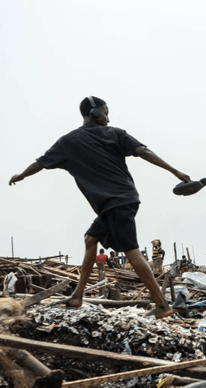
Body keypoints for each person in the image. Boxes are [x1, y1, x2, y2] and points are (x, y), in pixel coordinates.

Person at [8, 96, 190, 318]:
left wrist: (21, 175)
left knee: (131, 251)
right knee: (90, 239)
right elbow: (143, 151)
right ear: (94, 112)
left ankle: (162, 305)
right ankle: (77, 296)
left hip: (117, 203)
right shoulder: (110, 135)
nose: (108, 118)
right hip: (116, 202)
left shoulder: (70, 142)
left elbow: (40, 163)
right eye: (106, 113)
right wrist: (175, 172)